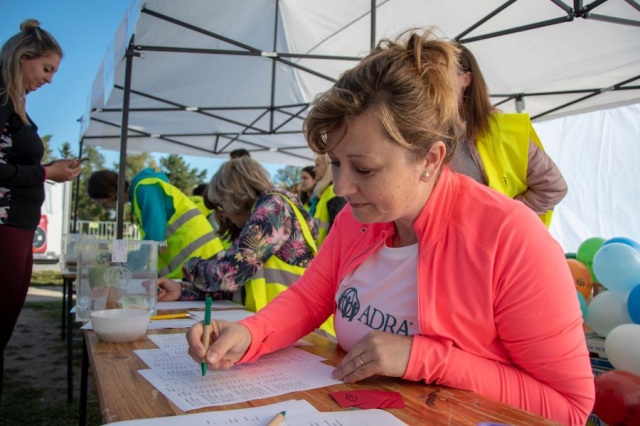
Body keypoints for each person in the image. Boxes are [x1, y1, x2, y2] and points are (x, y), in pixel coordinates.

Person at [185, 31, 594, 424]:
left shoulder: (511, 238)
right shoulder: (356, 219)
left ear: (430, 159)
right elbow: (310, 299)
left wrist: (424, 358)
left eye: (364, 169)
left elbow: (568, 407)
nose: (341, 188)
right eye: (337, 164)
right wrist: (248, 333)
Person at [156, 157, 334, 335]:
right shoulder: (273, 212)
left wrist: (190, 267)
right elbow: (239, 285)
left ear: (232, 195)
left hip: (309, 337)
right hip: (289, 331)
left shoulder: (273, 207)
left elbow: (230, 274)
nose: (220, 215)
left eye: (220, 206)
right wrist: (182, 290)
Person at [0, 19, 82, 397]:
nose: (49, 80)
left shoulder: (13, 104)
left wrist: (47, 171)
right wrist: (47, 172)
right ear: (23, 57)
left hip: (17, 228)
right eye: (46, 69)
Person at [451, 43, 567, 227]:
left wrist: (501, 218)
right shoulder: (423, 133)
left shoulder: (501, 130)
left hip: (488, 240)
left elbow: (553, 187)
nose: (430, 81)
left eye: (440, 72)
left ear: (465, 80)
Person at [86, 168, 224, 278]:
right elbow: (151, 242)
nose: (105, 208)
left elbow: (154, 238)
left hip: (199, 256)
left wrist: (126, 266)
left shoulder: (145, 189)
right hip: (192, 260)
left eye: (102, 203)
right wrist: (123, 259)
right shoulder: (139, 195)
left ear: (110, 194)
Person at [309, 154, 346, 247]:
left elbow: (337, 230)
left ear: (328, 166)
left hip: (325, 251)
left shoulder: (334, 192)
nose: (314, 169)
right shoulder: (325, 192)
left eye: (317, 165)